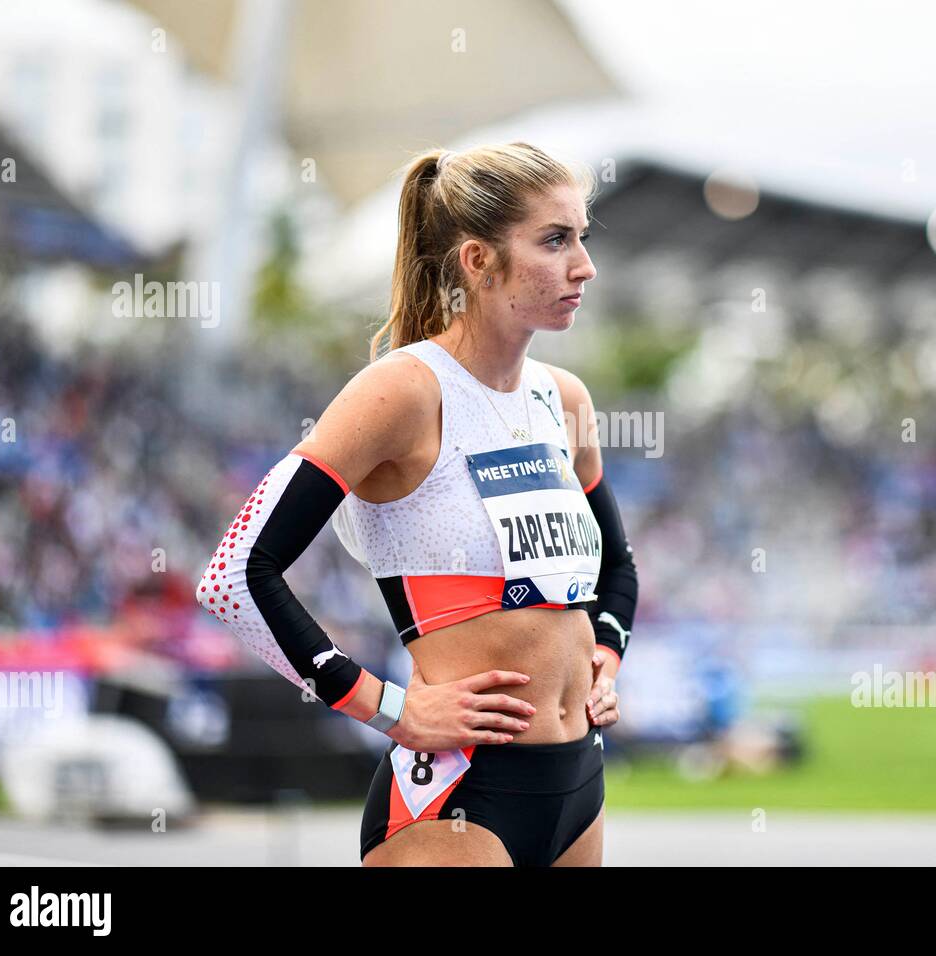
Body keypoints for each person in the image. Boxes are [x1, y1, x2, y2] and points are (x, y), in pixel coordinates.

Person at [194, 142, 638, 867]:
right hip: (458, 797)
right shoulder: (402, 390)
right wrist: (387, 706)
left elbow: (617, 567)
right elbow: (237, 572)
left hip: (578, 785)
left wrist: (606, 659)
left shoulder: (565, 400)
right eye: (555, 240)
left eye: (582, 238)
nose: (583, 265)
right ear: (478, 261)